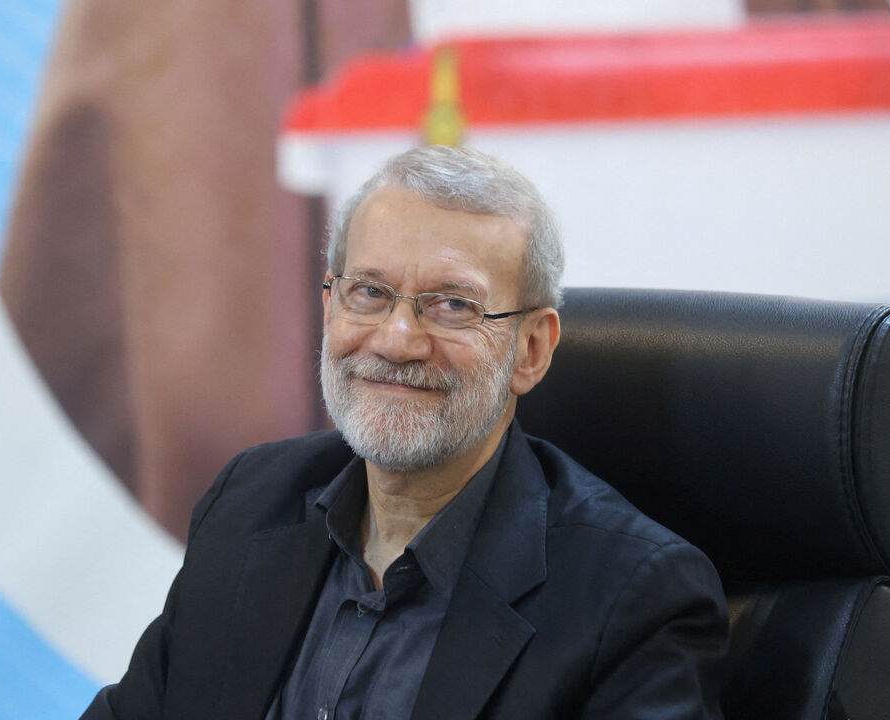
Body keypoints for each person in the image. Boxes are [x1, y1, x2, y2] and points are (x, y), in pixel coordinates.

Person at [81, 145, 729, 719]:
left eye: (453, 305)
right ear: (330, 305)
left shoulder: (634, 603)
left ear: (531, 349)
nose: (397, 340)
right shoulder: (251, 503)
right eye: (370, 292)